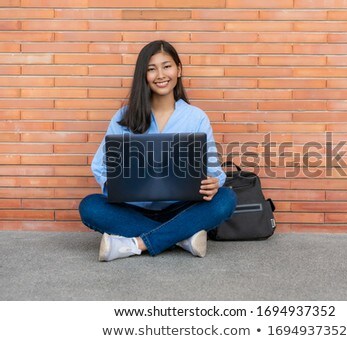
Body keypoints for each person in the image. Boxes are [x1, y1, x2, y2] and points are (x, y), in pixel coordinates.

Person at [78, 40, 236, 262]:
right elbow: (100, 165)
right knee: (90, 207)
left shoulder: (195, 117)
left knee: (226, 199)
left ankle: (137, 243)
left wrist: (214, 182)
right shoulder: (124, 117)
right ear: (144, 75)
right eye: (151, 69)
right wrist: (113, 184)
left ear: (179, 70)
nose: (160, 74)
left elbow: (213, 170)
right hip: (133, 209)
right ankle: (182, 238)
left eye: (166, 66)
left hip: (181, 208)